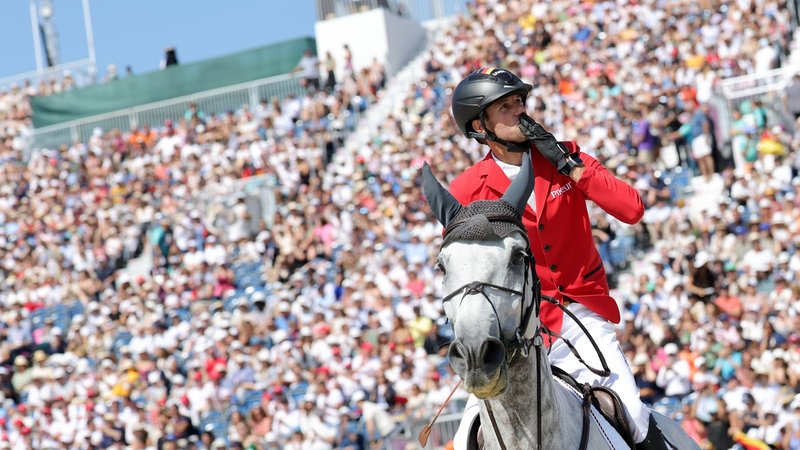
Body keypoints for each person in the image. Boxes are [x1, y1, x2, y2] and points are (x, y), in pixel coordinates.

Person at [446, 68, 665, 449]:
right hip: (517, 328)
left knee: (634, 414)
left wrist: (571, 167)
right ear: (480, 124)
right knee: (466, 437)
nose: (520, 111)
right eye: (506, 106)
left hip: (582, 313)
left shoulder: (567, 156)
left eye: (520, 102)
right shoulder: (467, 189)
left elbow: (631, 209)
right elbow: (466, 269)